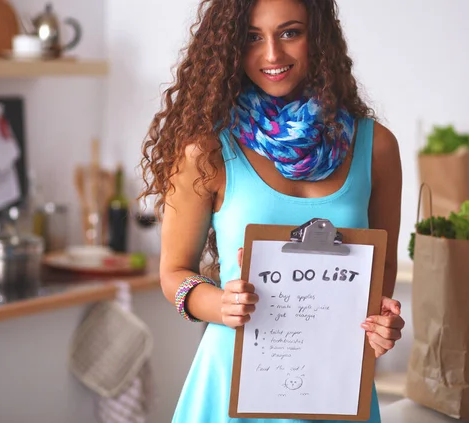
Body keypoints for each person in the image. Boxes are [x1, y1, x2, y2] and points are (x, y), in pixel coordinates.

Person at [139, 0, 405, 421]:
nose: (272, 55)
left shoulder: (378, 148)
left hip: (336, 387)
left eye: (289, 32)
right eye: (251, 37)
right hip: (231, 388)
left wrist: (380, 324)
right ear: (229, 46)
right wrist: (219, 304)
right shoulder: (206, 150)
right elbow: (173, 274)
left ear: (318, 36)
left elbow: (382, 267)